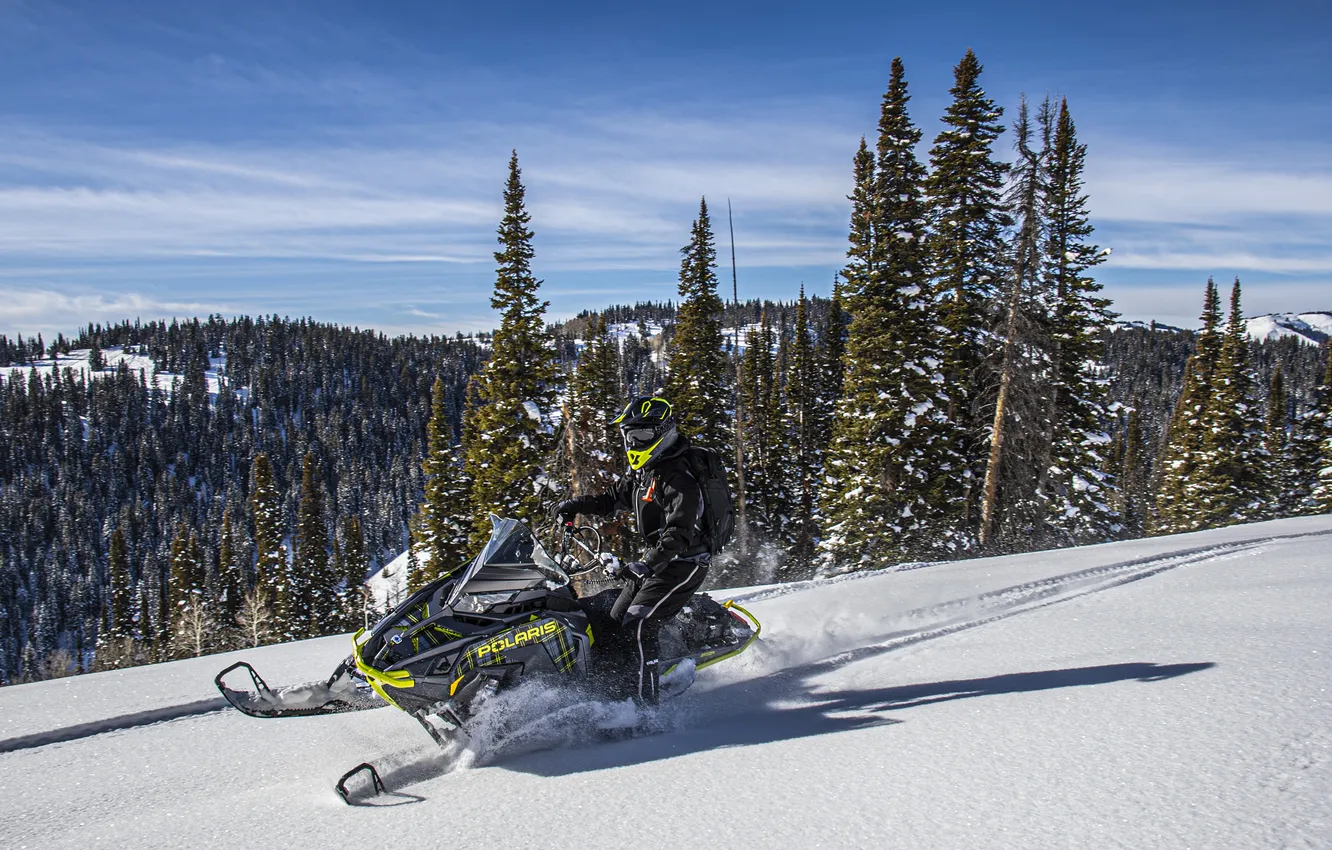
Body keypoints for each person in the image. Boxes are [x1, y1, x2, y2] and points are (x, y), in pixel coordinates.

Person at [554, 396, 710, 705]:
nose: (633, 444)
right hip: (659, 561)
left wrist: (647, 565)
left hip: (684, 562)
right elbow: (613, 498)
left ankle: (644, 709)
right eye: (629, 437)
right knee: (612, 621)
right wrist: (577, 505)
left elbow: (680, 532)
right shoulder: (648, 471)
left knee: (639, 622)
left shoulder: (679, 477)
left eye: (640, 437)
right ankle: (611, 695)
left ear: (662, 433)